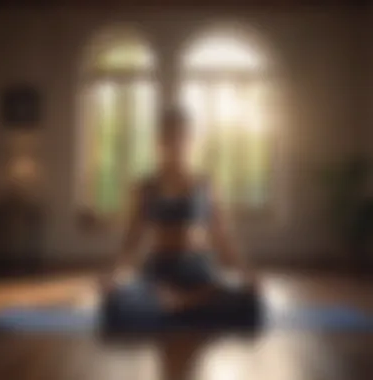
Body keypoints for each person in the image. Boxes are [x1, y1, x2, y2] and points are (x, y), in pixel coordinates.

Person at [100, 106, 261, 333]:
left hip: (198, 272)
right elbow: (131, 241)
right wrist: (112, 275)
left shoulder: (206, 184)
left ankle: (182, 303)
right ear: (159, 141)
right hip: (158, 271)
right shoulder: (145, 186)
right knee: (113, 307)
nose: (175, 144)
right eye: (169, 137)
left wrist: (246, 273)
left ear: (190, 139)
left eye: (181, 137)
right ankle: (179, 305)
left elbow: (223, 238)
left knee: (252, 305)